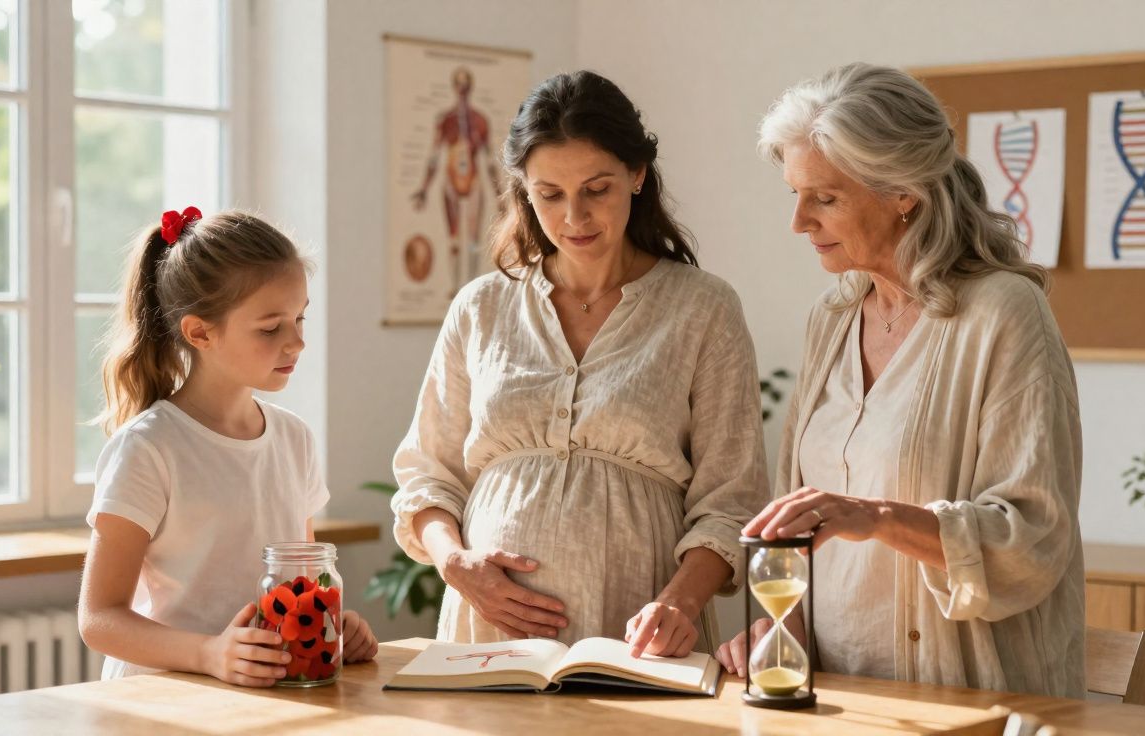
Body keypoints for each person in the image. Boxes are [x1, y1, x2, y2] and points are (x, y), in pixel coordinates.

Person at [716, 63, 1084, 697]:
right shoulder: (831, 318)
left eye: (825, 198)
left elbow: (1031, 538)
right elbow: (793, 513)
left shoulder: (1001, 312)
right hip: (838, 696)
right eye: (795, 195)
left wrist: (877, 516)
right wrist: (784, 626)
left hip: (967, 695)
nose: (799, 222)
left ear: (903, 192)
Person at [392, 71, 765, 658]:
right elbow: (427, 474)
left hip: (638, 626)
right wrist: (456, 563)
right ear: (523, 189)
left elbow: (731, 498)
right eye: (550, 194)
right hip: (487, 627)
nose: (575, 217)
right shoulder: (482, 306)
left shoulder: (703, 307)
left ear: (637, 174)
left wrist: (680, 604)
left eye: (597, 189)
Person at [78, 207, 378, 686]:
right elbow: (99, 619)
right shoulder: (149, 447)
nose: (297, 341)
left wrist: (332, 627)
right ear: (200, 332)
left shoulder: (294, 439)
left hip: (258, 695)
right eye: (270, 327)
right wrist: (210, 654)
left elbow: (301, 585)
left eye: (300, 318)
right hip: (161, 701)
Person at [411, 66, 504, 295]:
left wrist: (500, 195)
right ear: (454, 87)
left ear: (470, 88)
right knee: (454, 238)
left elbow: (489, 159)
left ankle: (471, 288)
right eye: (459, 85)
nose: (462, 90)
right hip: (451, 182)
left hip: (473, 182)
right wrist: (423, 188)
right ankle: (455, 287)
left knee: (472, 239)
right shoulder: (446, 120)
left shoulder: (480, 121)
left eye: (466, 85)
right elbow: (434, 157)